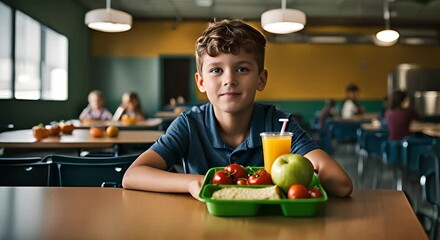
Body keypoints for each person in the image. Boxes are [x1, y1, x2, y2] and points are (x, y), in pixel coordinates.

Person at [122, 19, 353, 199]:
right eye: (216, 70)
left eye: (242, 69)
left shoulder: (279, 124)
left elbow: (342, 184)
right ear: (200, 82)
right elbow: (133, 175)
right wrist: (196, 182)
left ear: (261, 79)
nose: (229, 80)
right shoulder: (189, 124)